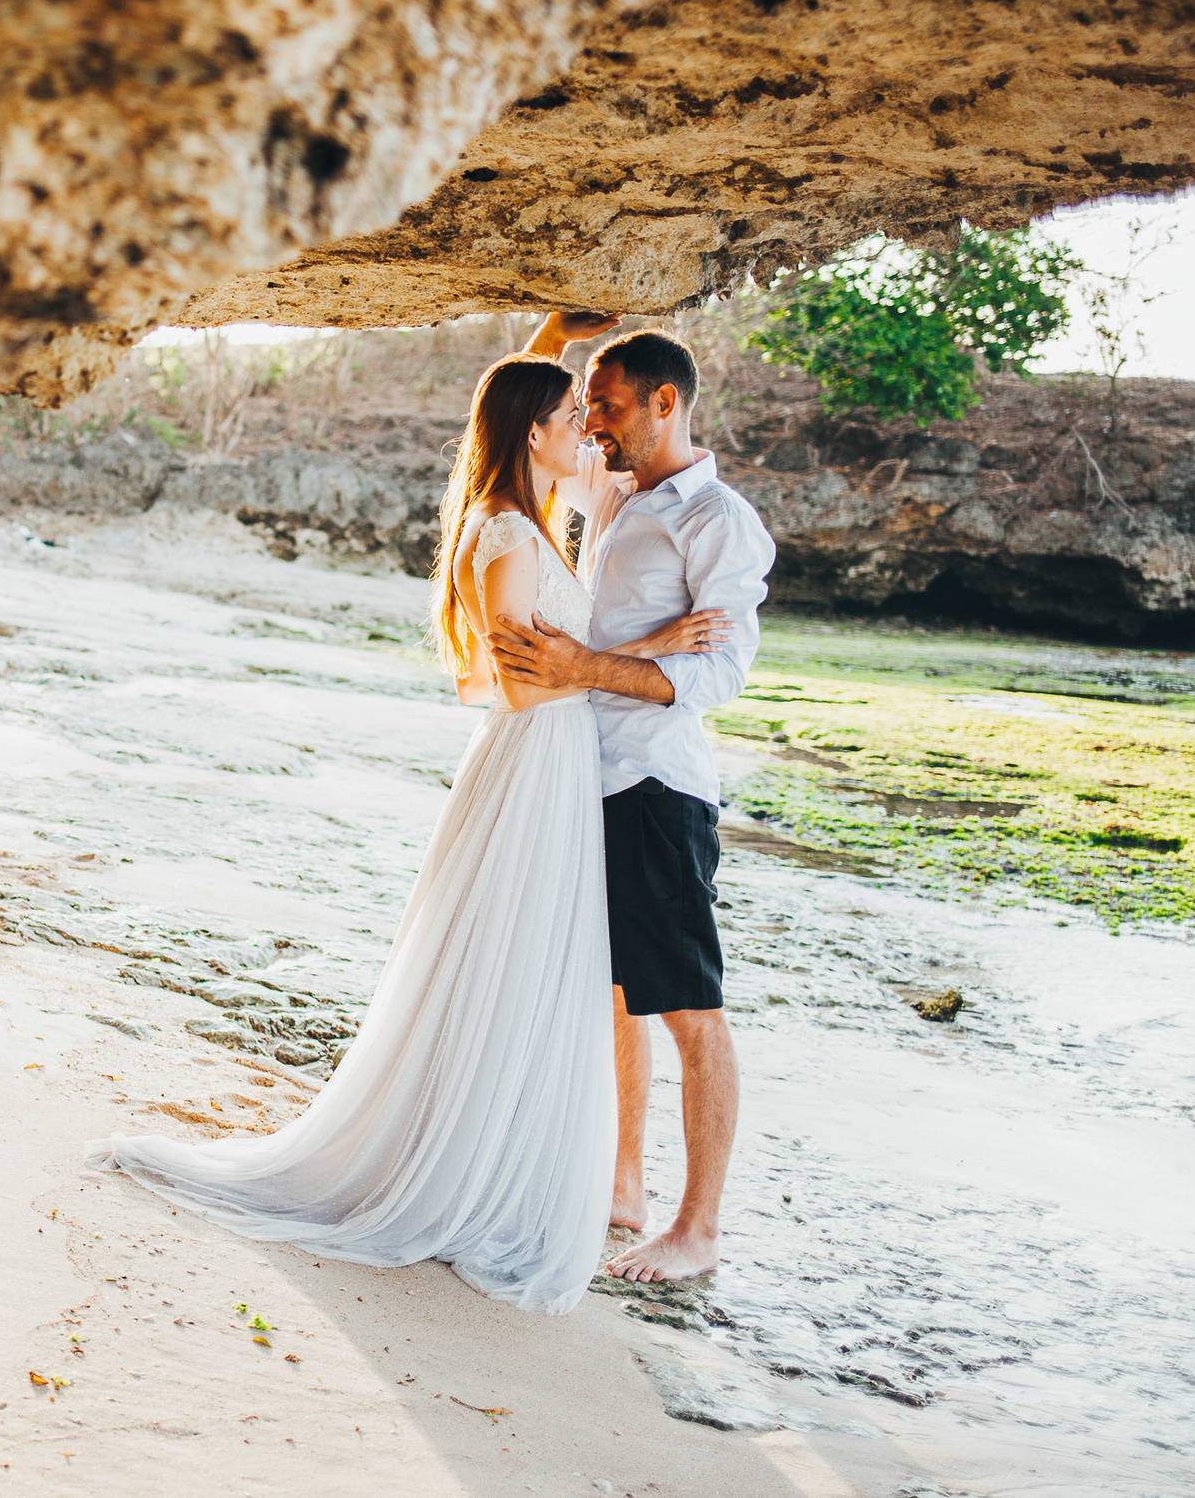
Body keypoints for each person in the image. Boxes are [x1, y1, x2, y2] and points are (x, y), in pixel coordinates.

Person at [84, 332, 725, 1314]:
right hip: (534, 765)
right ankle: (462, 1169)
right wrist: (652, 644)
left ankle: (516, 1155)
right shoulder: (505, 534)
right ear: (529, 434)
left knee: (540, 971)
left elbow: (505, 663)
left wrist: (551, 345)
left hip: (557, 766)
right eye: (566, 420)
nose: (584, 435)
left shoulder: (528, 520)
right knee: (512, 965)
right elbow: (511, 684)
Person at [490, 316, 777, 1284]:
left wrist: (587, 666)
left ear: (667, 403)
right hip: (589, 778)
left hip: (659, 785)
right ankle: (622, 1185)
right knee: (618, 1000)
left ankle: (697, 1231)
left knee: (688, 1007)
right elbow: (526, 428)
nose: (597, 424)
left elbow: (723, 671)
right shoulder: (610, 491)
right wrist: (556, 340)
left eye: (612, 406)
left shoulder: (718, 521)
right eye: (594, 411)